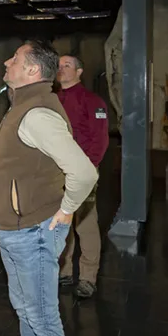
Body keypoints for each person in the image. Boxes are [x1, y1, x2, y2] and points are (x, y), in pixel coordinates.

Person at [0, 41, 97, 336]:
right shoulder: (23, 106)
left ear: (32, 71)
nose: (7, 63)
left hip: (33, 232)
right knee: (25, 310)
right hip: (17, 230)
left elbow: (84, 173)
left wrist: (66, 211)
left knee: (44, 318)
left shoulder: (36, 114)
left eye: (14, 59)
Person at [56, 55, 109, 298]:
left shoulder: (93, 102)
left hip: (82, 171)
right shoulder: (53, 101)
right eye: (58, 65)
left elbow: (100, 140)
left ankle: (88, 277)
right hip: (56, 172)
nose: (61, 69)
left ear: (79, 71)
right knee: (60, 223)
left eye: (67, 65)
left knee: (85, 223)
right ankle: (64, 271)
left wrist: (89, 170)